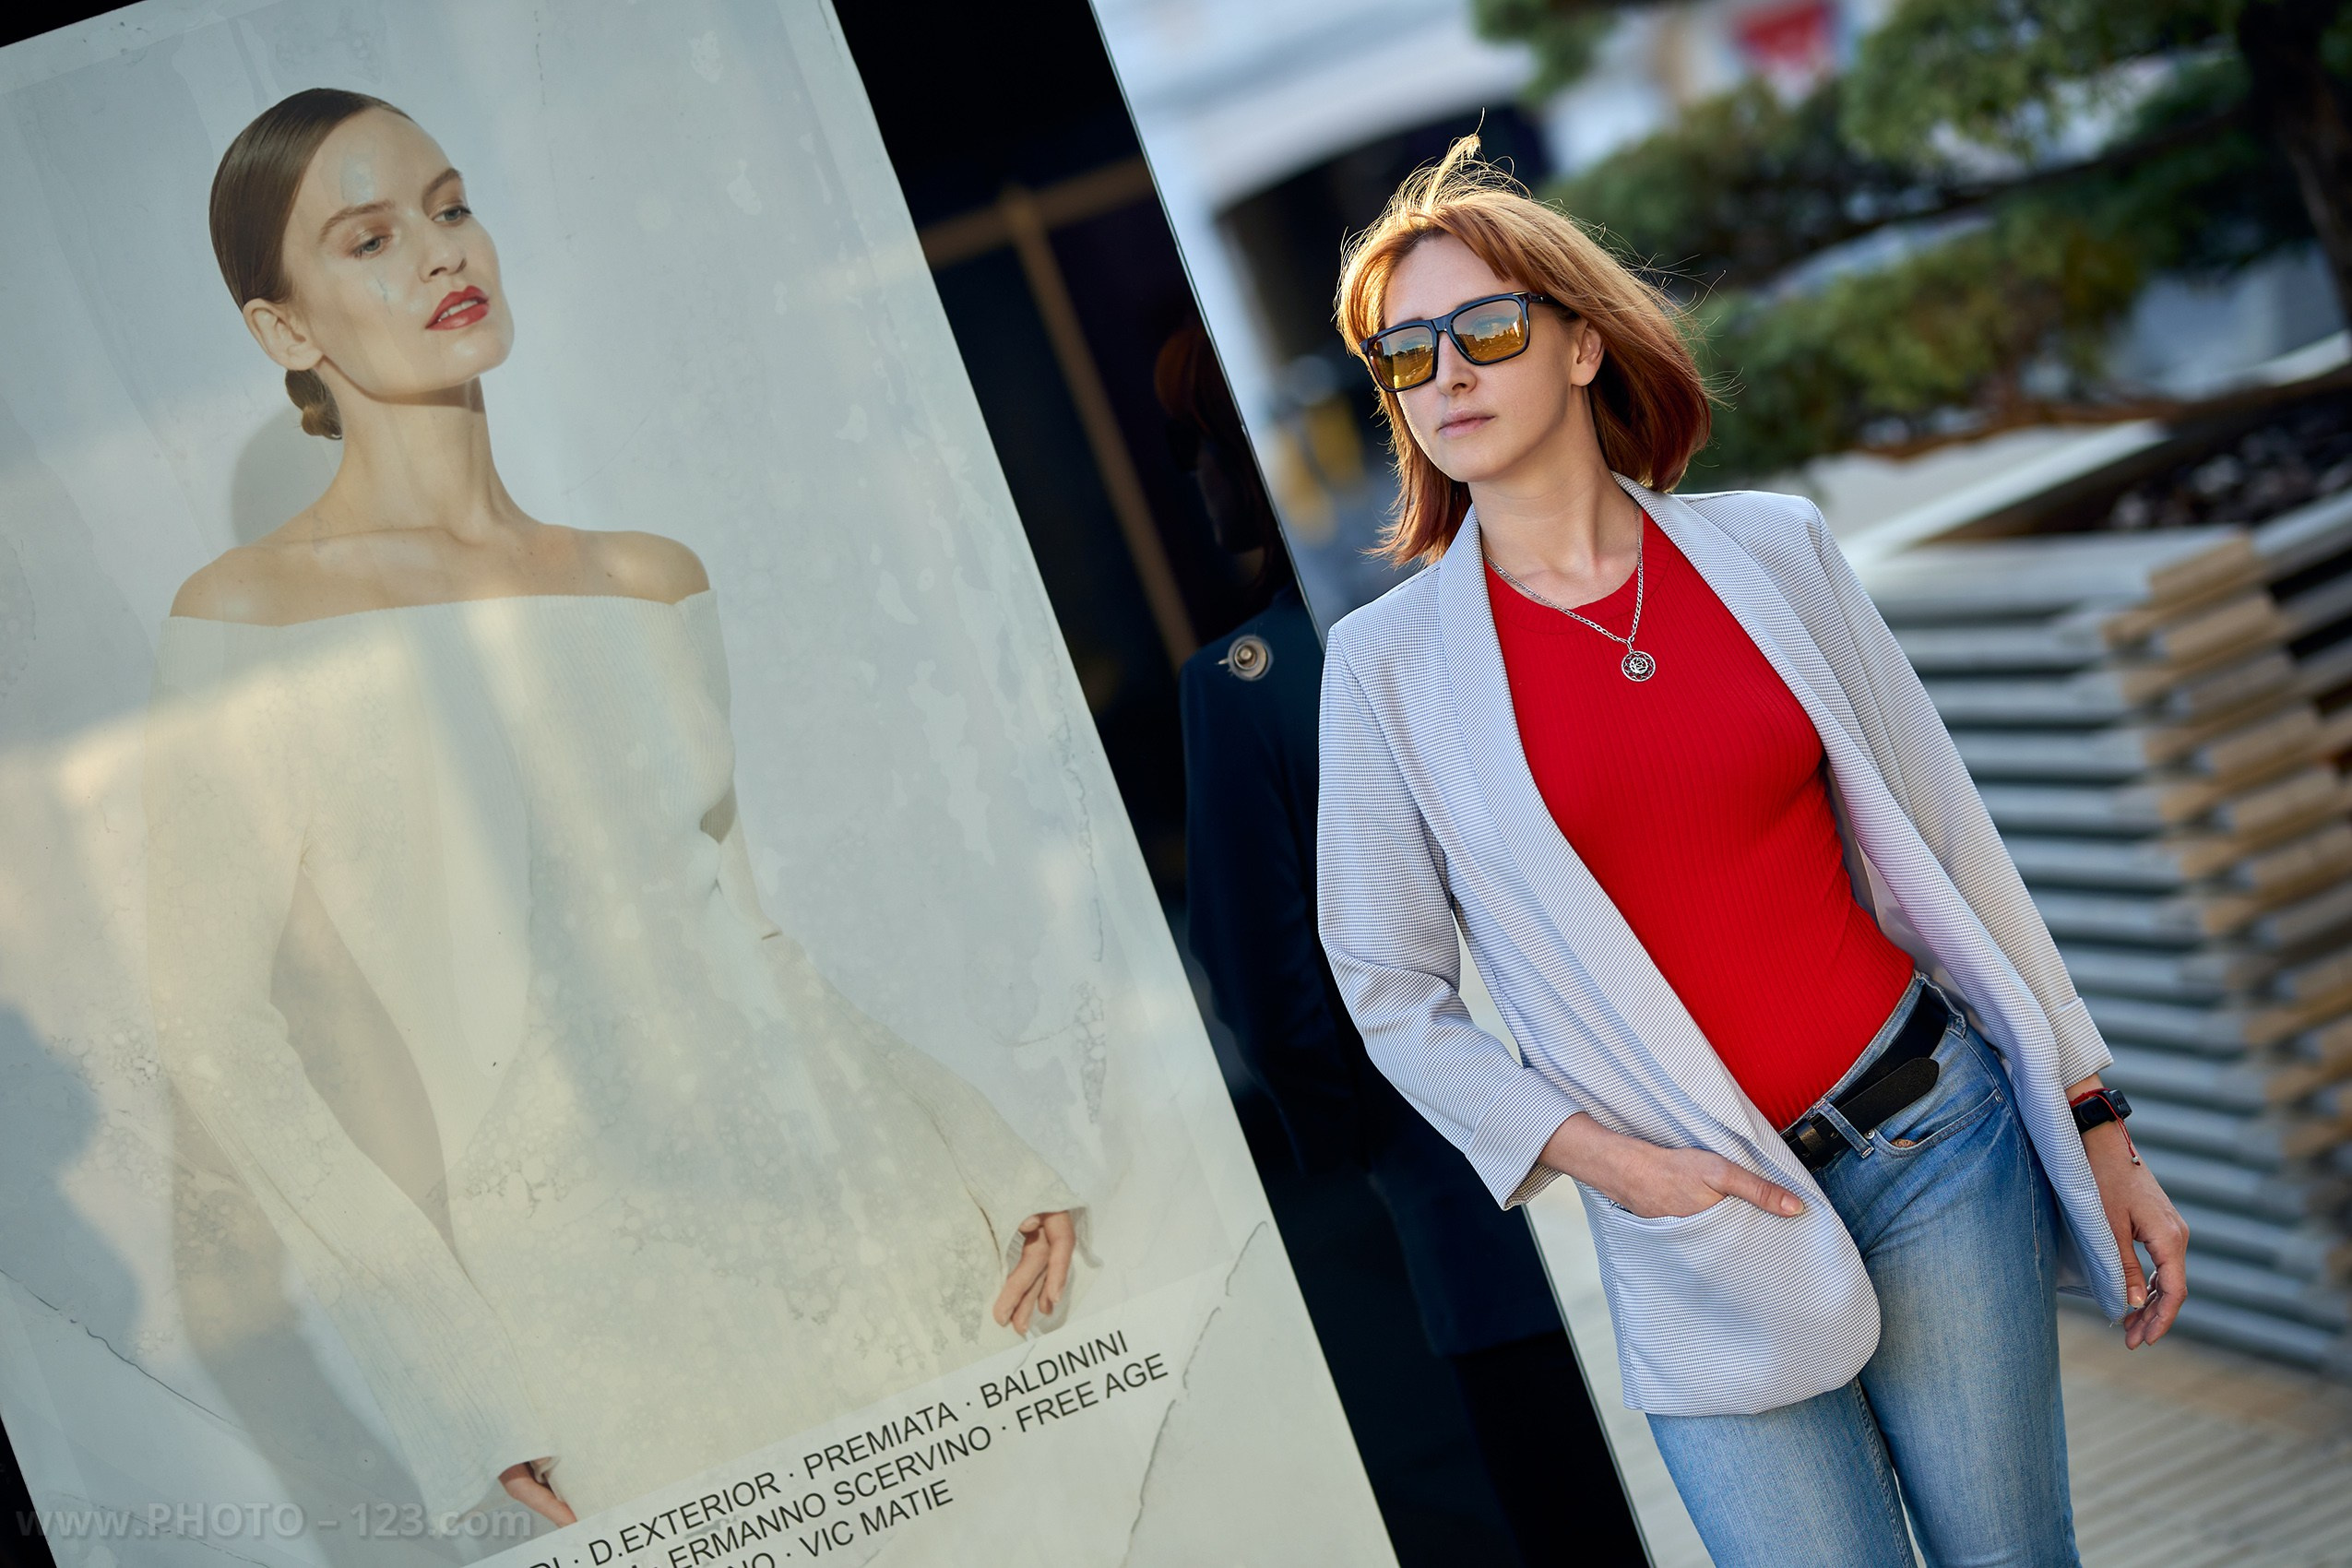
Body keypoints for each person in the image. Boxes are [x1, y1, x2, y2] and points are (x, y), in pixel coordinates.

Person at [146, 89, 1081, 1526]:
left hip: (873, 1213)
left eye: (452, 207)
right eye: (371, 239)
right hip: (596, 1309)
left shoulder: (648, 580)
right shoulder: (247, 619)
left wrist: (989, 1156)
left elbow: (748, 945)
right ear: (283, 329)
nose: (443, 252)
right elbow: (212, 1035)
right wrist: (451, 1380)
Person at [1313, 137, 2189, 1568]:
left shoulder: (1773, 552)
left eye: (1484, 331)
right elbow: (1387, 990)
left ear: (1581, 344)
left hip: (1931, 1143)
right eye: (1405, 357)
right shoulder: (1385, 668)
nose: (1446, 375)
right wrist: (1608, 1165)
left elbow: (1952, 843)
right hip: (1695, 1231)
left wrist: (2096, 1118)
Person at [1158, 327, 1643, 1566]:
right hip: (1677, 1133)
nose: (1194, 483)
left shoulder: (1245, 685)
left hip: (1461, 1195)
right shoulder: (1555, 587)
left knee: (1574, 1516)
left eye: (1201, 450)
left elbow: (1268, 986)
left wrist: (1365, 1141)